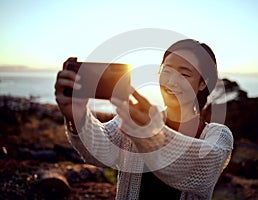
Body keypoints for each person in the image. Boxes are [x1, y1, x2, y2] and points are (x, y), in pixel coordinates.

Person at [55, 39, 233, 200]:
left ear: (203, 83)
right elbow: (102, 150)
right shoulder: (137, 120)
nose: (171, 81)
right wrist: (78, 117)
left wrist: (149, 134)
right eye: (167, 71)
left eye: (184, 75)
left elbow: (197, 170)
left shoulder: (219, 136)